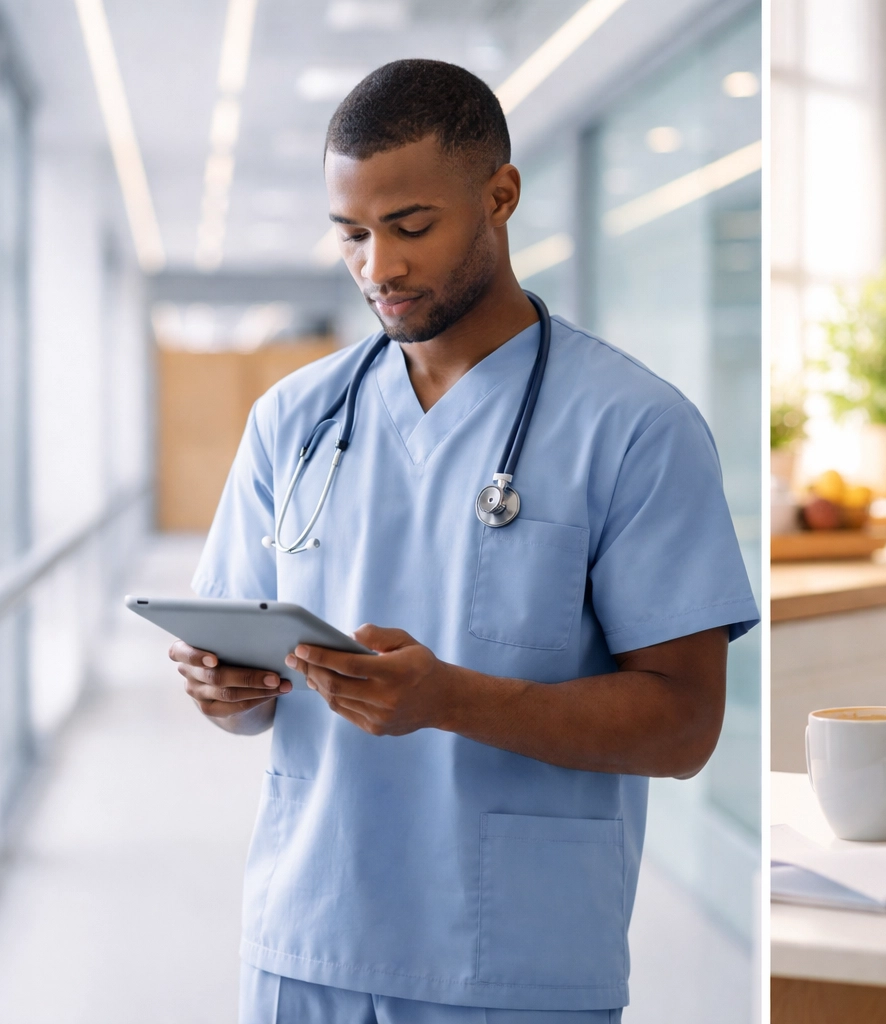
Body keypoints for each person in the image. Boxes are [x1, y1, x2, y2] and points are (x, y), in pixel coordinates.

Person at [169, 60, 759, 1023]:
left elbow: (686, 725)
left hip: (509, 960)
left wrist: (449, 699)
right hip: (304, 941)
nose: (379, 268)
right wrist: (220, 690)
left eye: (410, 227)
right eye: (352, 235)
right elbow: (242, 694)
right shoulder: (293, 419)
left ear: (501, 195)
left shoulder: (635, 426)